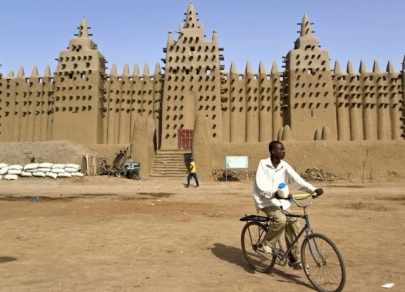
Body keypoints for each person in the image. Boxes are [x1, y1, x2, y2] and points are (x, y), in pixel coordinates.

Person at [253, 141, 323, 270]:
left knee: (293, 221)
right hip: (266, 201)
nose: (284, 151)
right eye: (281, 149)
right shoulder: (263, 164)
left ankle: (293, 258)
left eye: (284, 149)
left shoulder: (284, 166)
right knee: (281, 219)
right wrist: (274, 194)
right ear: (273, 152)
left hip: (282, 202)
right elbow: (261, 186)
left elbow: (297, 180)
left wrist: (313, 190)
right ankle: (267, 244)